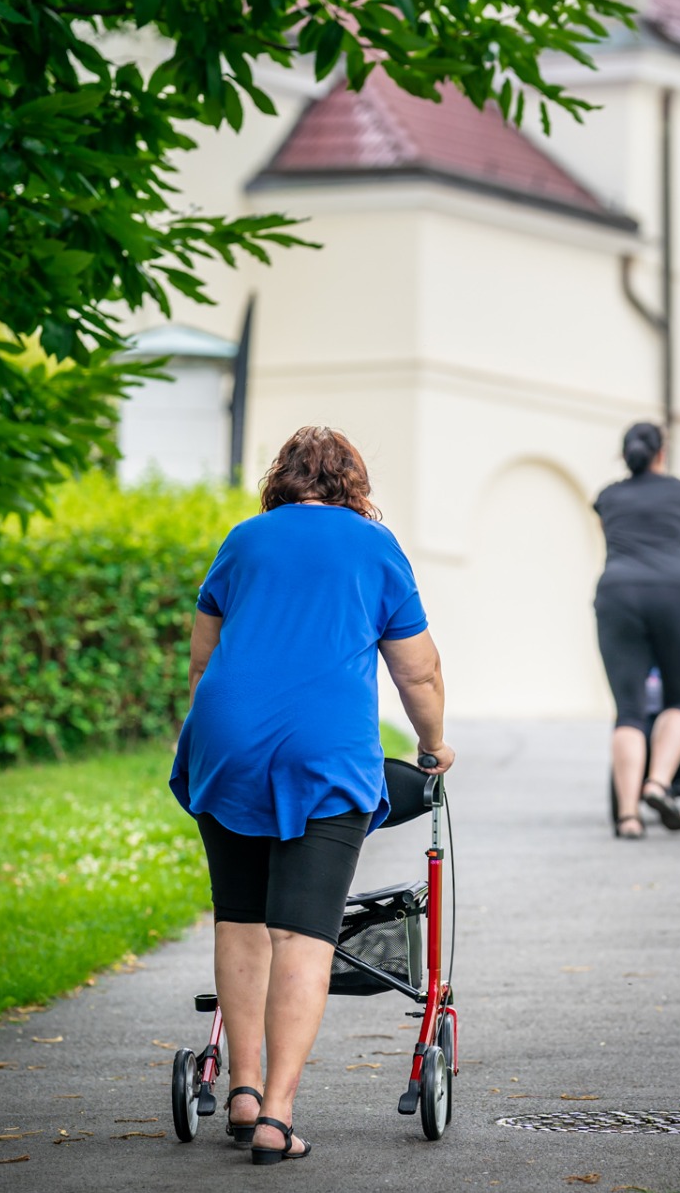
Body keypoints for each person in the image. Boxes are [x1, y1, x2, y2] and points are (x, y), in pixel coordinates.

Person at [170, 426, 454, 1165]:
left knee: (239, 919)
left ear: (280, 480)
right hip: (324, 751)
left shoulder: (244, 539)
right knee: (301, 934)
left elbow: (202, 663)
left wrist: (225, 738)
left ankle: (241, 1088)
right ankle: (277, 1115)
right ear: (354, 484)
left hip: (224, 744)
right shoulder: (373, 545)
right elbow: (417, 672)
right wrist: (432, 746)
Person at [592, 422, 680, 839]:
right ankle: (658, 783)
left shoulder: (607, 497)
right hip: (676, 595)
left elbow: (610, 544)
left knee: (628, 709)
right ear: (661, 453)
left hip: (618, 594)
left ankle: (628, 816)